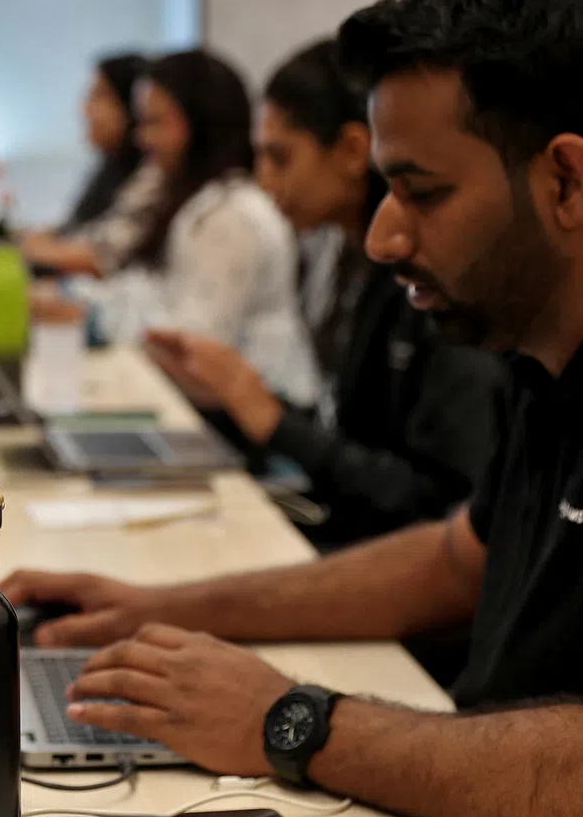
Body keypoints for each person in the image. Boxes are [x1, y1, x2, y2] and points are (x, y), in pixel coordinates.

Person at [2, 0, 583, 817]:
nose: (386, 234)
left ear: (566, 182)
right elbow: (456, 563)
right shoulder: (539, 353)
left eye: (422, 193)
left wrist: (290, 722)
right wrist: (163, 608)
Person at [146, 40, 502, 545]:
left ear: (354, 151)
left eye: (280, 157)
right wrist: (240, 396)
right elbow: (352, 434)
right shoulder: (339, 260)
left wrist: (270, 417)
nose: (264, 181)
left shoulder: (430, 279)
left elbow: (432, 505)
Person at [58, 49, 319, 406]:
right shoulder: (191, 199)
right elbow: (152, 294)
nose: (141, 138)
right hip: (222, 408)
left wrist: (93, 318)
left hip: (260, 420)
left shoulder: (230, 214)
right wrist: (85, 309)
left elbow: (194, 346)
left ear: (200, 123)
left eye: (154, 122)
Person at [20, 53, 159, 278]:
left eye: (98, 96)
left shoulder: (151, 178)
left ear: (132, 108)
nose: (85, 109)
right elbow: (81, 230)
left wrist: (33, 249)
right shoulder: (111, 169)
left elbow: (105, 256)